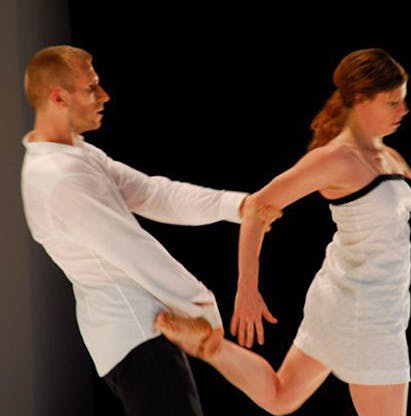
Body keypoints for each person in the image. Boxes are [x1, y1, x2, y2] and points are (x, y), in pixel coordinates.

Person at [154, 48, 411, 416]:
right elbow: (258, 207)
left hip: (351, 300)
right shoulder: (335, 160)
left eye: (403, 97)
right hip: (365, 314)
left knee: (281, 398)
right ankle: (206, 344)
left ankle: (206, 344)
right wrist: (247, 288)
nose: (403, 109)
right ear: (360, 100)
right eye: (392, 101)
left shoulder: (387, 156)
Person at [20, 45, 280, 416]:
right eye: (91, 88)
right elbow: (135, 251)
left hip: (140, 334)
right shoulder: (60, 179)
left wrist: (237, 206)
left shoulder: (74, 155)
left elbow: (152, 193)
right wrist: (203, 313)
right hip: (136, 336)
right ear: (58, 97)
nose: (104, 95)